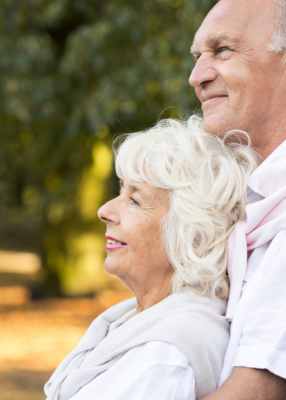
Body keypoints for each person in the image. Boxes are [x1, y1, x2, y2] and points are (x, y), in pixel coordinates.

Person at [44, 116, 257, 400]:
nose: (104, 210)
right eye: (121, 191)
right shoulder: (135, 319)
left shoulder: (167, 356)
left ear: (191, 233)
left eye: (135, 200)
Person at [189, 0, 286, 398]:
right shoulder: (244, 204)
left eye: (222, 49)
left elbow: (254, 392)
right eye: (196, 57)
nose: (197, 76)